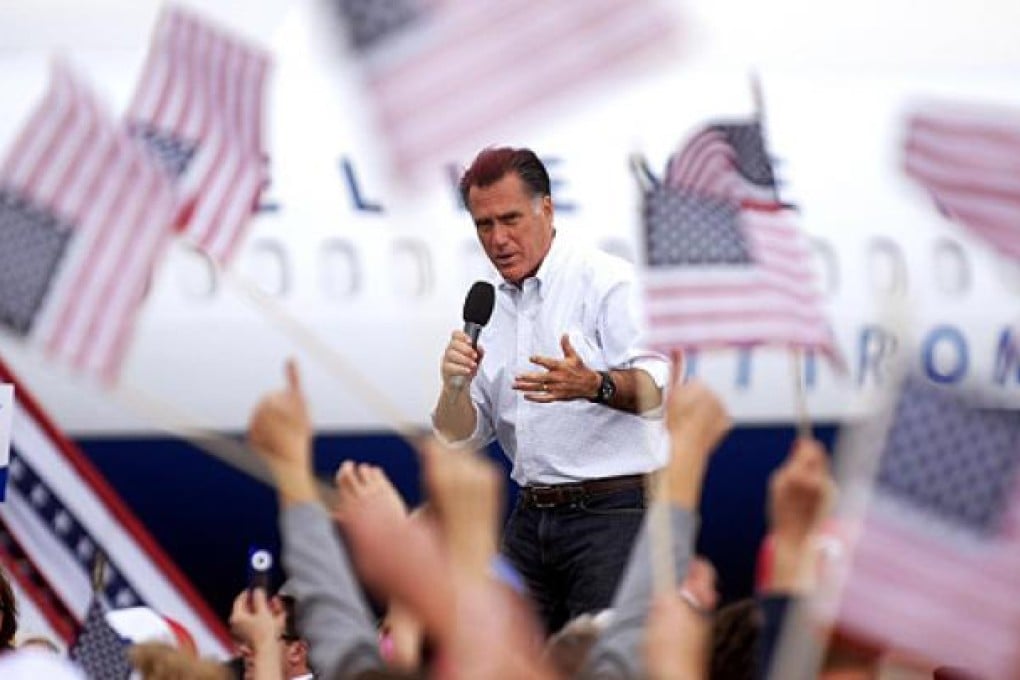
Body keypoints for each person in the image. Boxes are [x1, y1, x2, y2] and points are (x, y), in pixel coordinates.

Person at [433, 146, 670, 634]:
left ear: (547, 208)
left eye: (510, 219)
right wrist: (453, 388)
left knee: (604, 665)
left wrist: (594, 385)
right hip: (531, 515)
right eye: (483, 226)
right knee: (502, 657)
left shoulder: (606, 282)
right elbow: (461, 435)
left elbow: (658, 386)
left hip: (613, 514)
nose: (498, 239)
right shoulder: (488, 310)